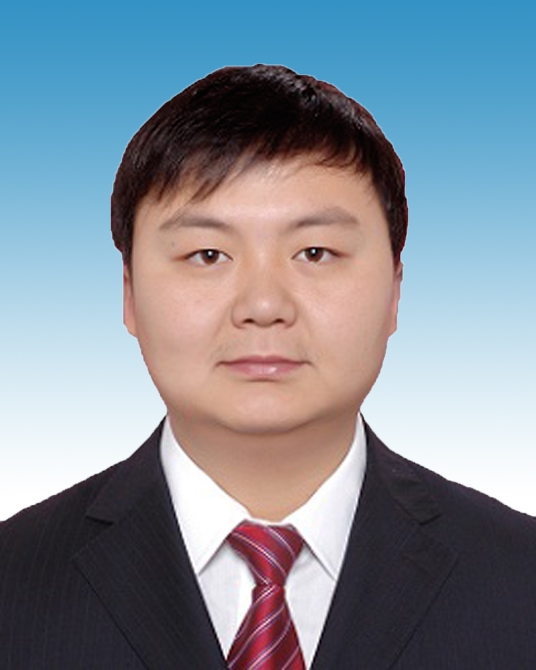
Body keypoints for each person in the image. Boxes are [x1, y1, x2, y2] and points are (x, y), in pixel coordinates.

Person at [0, 64, 535, 670]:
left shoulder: (521, 581)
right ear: (129, 294)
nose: (262, 305)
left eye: (315, 252)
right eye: (208, 254)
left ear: (395, 291)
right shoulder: (14, 581)